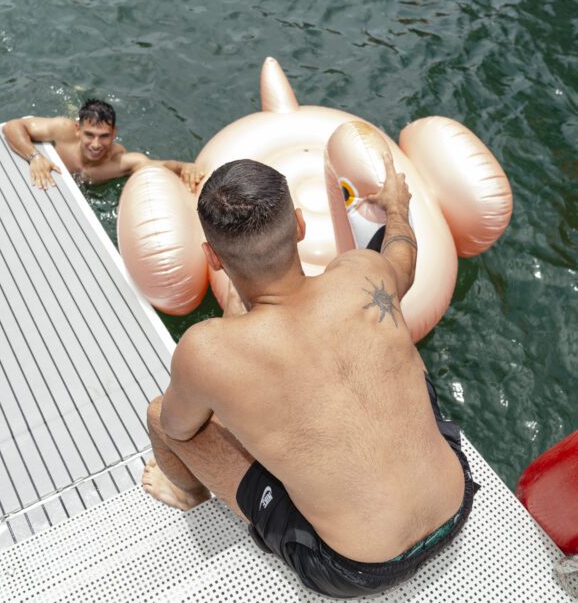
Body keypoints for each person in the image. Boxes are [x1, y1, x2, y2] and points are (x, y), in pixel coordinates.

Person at [142, 156, 478, 598]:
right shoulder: (363, 272)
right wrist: (397, 207)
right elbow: (402, 256)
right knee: (395, 357)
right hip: (457, 505)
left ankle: (188, 494)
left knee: (160, 413)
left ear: (212, 259)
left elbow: (179, 427)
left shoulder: (206, 350)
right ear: (300, 225)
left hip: (355, 569)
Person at [3, 99, 203, 191]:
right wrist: (34, 157)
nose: (96, 144)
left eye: (104, 136)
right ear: (77, 130)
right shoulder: (63, 129)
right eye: (89, 135)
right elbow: (13, 126)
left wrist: (183, 166)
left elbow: (157, 165)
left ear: (114, 133)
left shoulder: (120, 162)